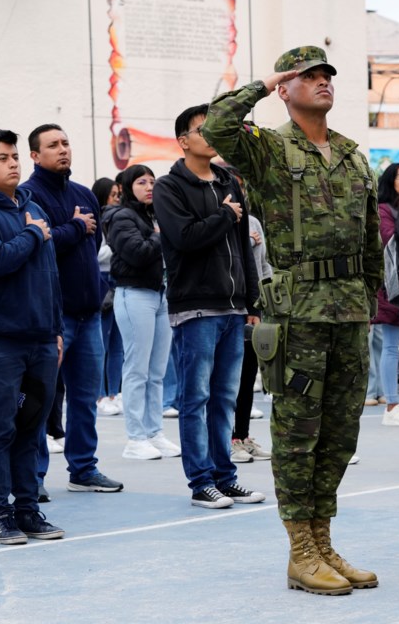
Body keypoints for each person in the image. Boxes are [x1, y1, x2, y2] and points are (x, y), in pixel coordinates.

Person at [202, 46, 381, 595]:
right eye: (309, 75)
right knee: (298, 431)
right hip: (300, 310)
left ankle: (323, 540)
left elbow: (371, 236)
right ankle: (299, 549)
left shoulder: (351, 155)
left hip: (349, 309)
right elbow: (217, 124)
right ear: (286, 86)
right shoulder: (269, 150)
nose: (323, 80)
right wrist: (264, 81)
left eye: (328, 73)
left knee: (339, 433)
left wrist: (370, 299)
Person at [0, 128, 65, 544]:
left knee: (31, 428)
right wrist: (34, 233)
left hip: (40, 339)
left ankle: (28, 511)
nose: (14, 163)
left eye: (16, 156)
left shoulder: (31, 206)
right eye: (3, 158)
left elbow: (49, 276)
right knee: (0, 427)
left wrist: (55, 330)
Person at [156, 104, 264, 509]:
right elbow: (184, 237)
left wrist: (251, 300)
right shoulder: (170, 187)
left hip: (233, 308)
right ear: (183, 141)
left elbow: (243, 248)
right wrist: (223, 215)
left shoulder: (229, 181)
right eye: (203, 129)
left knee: (226, 397)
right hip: (196, 308)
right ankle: (201, 481)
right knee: (195, 397)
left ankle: (225, 476)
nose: (211, 134)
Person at [22, 124, 123, 494]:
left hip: (89, 311)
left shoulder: (83, 193)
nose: (63, 149)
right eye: (53, 145)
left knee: (84, 397)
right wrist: (75, 227)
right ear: (35, 155)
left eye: (66, 142)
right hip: (53, 317)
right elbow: (39, 244)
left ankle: (83, 468)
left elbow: (94, 244)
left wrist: (78, 230)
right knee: (41, 399)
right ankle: (32, 477)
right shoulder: (27, 195)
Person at [102, 164, 181, 460]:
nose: (149, 187)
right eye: (141, 182)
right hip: (133, 294)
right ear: (126, 188)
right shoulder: (121, 216)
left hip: (160, 295)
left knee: (156, 371)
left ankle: (154, 432)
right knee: (136, 369)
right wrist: (161, 236)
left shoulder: (154, 215)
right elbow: (136, 252)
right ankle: (135, 437)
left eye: (152, 181)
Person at [225, 165, 273, 464]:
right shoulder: (221, 222)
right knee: (228, 379)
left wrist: (264, 302)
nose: (237, 193)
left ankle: (242, 435)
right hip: (228, 308)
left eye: (240, 187)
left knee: (247, 376)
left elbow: (263, 265)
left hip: (253, 310)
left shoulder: (253, 221)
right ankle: (228, 439)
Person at [375, 163, 399, 427]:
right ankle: (391, 403)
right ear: (390, 181)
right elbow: (391, 238)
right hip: (390, 286)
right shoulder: (383, 210)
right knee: (391, 347)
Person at [92, 177, 125, 418]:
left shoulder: (118, 218)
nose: (116, 199)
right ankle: (100, 394)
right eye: (112, 194)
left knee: (117, 344)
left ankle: (114, 392)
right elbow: (98, 254)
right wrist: (118, 247)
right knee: (102, 343)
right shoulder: (99, 219)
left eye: (118, 194)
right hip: (103, 282)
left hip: (117, 279)